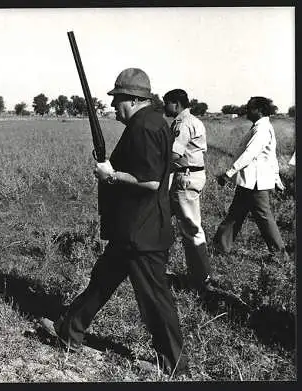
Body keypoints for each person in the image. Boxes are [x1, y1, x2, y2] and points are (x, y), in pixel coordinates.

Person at [39, 68, 189, 376]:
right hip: (133, 229)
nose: (113, 106)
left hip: (141, 232)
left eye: (118, 99)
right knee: (102, 280)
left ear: (134, 99)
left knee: (155, 300)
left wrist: (112, 175)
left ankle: (174, 365)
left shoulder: (144, 127)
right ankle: (69, 332)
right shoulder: (152, 122)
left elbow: (148, 181)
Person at [214, 96, 287, 258]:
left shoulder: (261, 129)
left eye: (250, 108)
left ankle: (281, 256)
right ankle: (220, 247)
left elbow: (250, 154)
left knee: (263, 217)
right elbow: (271, 157)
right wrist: (276, 178)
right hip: (250, 181)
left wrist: (229, 173)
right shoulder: (261, 127)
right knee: (235, 214)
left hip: (255, 183)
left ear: (260, 111)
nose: (247, 111)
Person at [163, 89, 213, 293]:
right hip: (185, 176)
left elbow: (174, 154)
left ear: (176, 104)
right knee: (160, 218)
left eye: (166, 103)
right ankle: (154, 264)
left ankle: (202, 279)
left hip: (185, 177)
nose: (164, 107)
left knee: (191, 229)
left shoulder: (184, 123)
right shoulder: (191, 120)